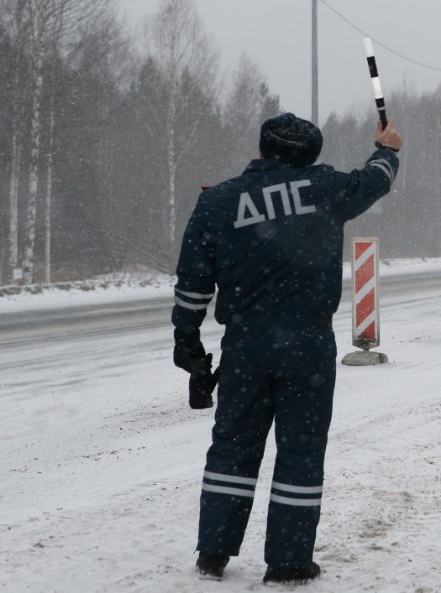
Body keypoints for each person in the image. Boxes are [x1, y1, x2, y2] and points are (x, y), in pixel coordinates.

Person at [171, 112, 402, 584]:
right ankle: (289, 562)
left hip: (245, 347)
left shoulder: (218, 201)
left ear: (261, 150)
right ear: (309, 156)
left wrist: (188, 343)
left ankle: (213, 552)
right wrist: (389, 150)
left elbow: (193, 283)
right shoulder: (323, 189)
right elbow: (372, 183)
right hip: (308, 346)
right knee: (300, 451)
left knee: (232, 448)